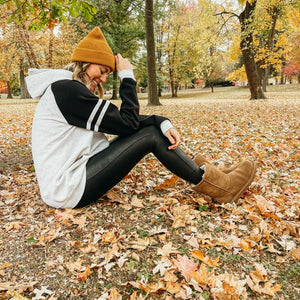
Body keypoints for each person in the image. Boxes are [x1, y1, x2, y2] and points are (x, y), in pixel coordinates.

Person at [26, 27, 256, 209]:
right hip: (67, 188)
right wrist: (127, 77)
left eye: (108, 73)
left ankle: (215, 177)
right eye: (102, 71)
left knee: (152, 131)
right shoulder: (68, 91)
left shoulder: (68, 90)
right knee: (150, 136)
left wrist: (161, 121)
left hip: (71, 179)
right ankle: (222, 188)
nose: (104, 79)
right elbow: (126, 123)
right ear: (86, 61)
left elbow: (120, 120)